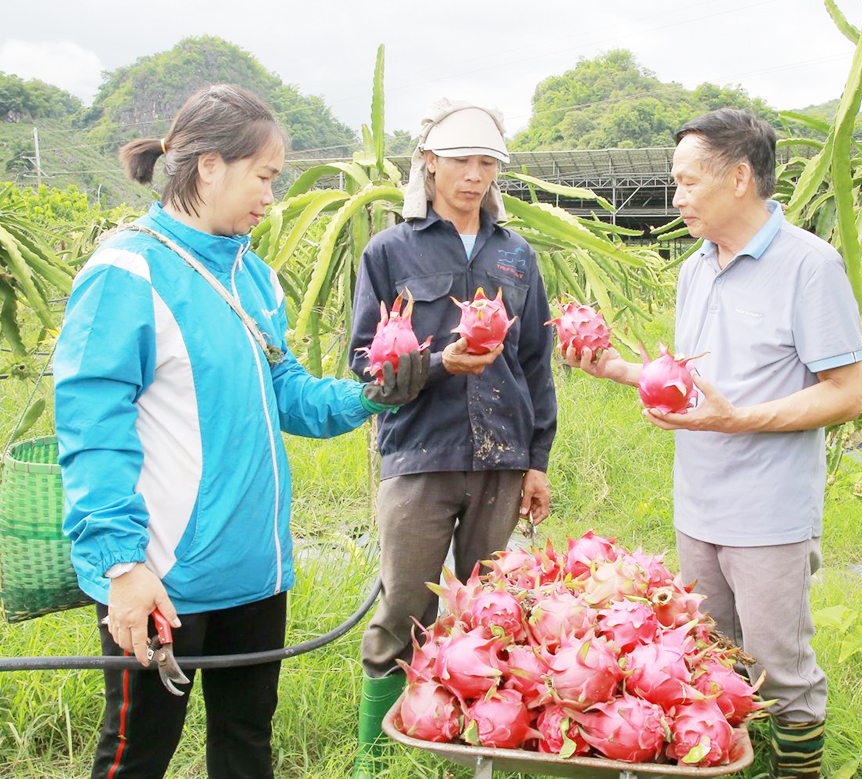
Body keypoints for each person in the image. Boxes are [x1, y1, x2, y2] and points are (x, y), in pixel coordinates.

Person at [54, 84, 428, 779]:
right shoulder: (126, 273)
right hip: (164, 575)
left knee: (248, 742)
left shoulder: (252, 276)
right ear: (210, 167)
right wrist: (122, 568)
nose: (271, 196)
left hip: (256, 570)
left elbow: (285, 392)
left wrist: (372, 395)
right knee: (137, 753)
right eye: (264, 176)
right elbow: (90, 432)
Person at [565, 108, 862, 779]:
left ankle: (797, 772)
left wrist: (741, 420)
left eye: (686, 182)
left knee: (778, 665)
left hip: (768, 511)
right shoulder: (696, 268)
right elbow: (689, 384)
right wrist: (617, 367)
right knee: (710, 654)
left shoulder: (810, 266)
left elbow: (846, 392)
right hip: (696, 503)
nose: (675, 199)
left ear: (737, 177)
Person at [347, 99, 556, 775]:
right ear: (429, 161)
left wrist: (537, 460)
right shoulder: (390, 250)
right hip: (420, 453)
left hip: (502, 456)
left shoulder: (517, 255)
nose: (474, 175)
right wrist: (439, 363)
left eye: (487, 162)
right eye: (462, 160)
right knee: (405, 602)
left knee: (488, 608)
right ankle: (375, 758)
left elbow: (534, 364)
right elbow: (365, 363)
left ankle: (473, 750)